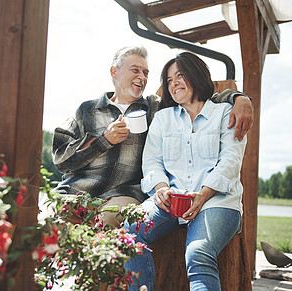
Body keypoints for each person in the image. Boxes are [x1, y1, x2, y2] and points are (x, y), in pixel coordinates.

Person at [52, 45, 253, 228]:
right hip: (79, 190)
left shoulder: (156, 107)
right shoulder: (87, 109)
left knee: (107, 226)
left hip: (124, 194)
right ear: (114, 71)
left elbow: (197, 98)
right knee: (48, 224)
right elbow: (61, 159)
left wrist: (240, 98)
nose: (142, 77)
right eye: (135, 70)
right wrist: (104, 139)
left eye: (146, 72)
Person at [124, 52, 247, 291]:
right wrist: (160, 188)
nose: (174, 83)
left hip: (217, 202)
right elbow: (151, 162)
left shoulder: (225, 113)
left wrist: (203, 195)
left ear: (196, 75)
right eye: (169, 80)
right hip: (172, 201)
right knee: (130, 233)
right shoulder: (162, 118)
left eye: (180, 75)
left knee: (198, 253)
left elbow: (230, 162)